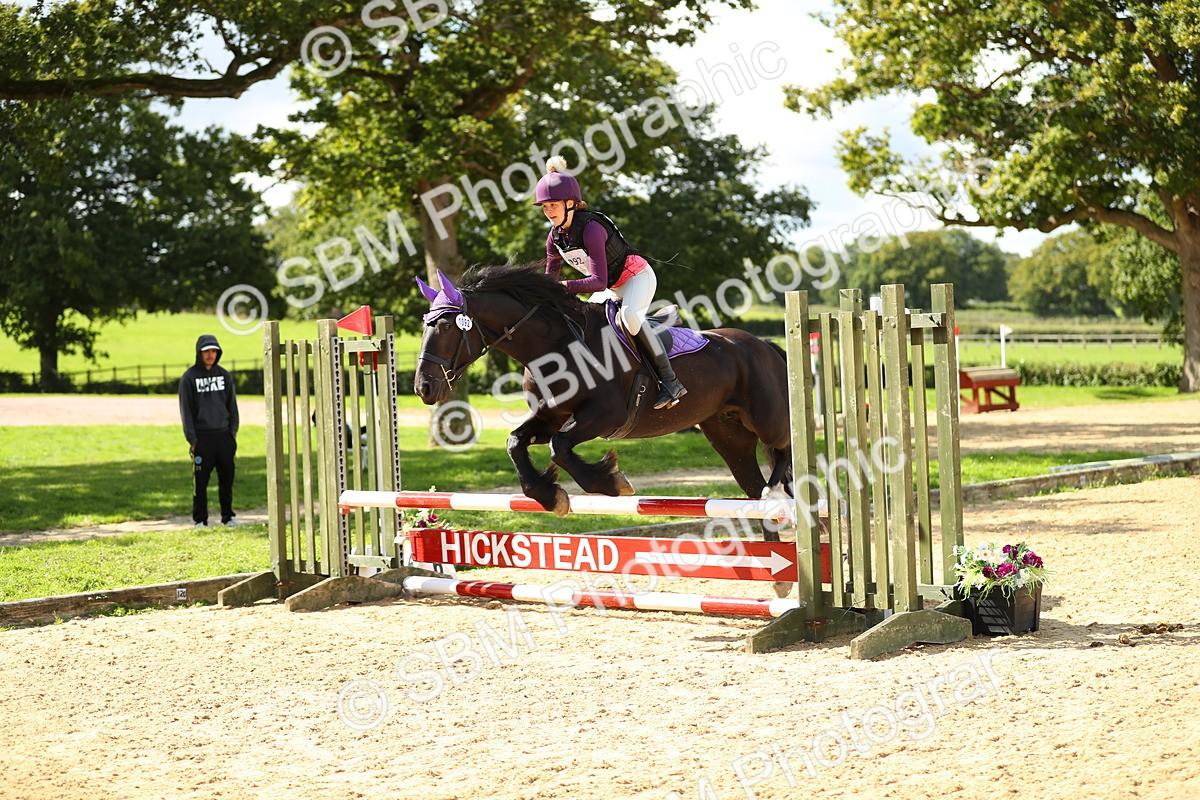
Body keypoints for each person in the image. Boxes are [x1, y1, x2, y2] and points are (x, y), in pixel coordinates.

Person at [533, 156, 687, 409]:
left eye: (553, 205)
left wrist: (565, 288)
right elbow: (552, 278)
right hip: (610, 287)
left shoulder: (592, 228)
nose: (548, 211)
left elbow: (597, 281)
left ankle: (670, 382)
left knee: (630, 318)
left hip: (636, 277)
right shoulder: (555, 237)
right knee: (589, 322)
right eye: (544, 207)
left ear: (570, 203)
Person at [179, 334, 240, 527]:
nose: (210, 355)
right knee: (200, 482)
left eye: (214, 351)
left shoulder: (225, 375)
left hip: (224, 437)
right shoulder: (188, 378)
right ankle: (200, 520)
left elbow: (232, 406)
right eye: (206, 351)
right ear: (199, 353)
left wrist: (232, 434)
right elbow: (186, 411)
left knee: (227, 480)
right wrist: (193, 440)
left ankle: (228, 517)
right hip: (201, 440)